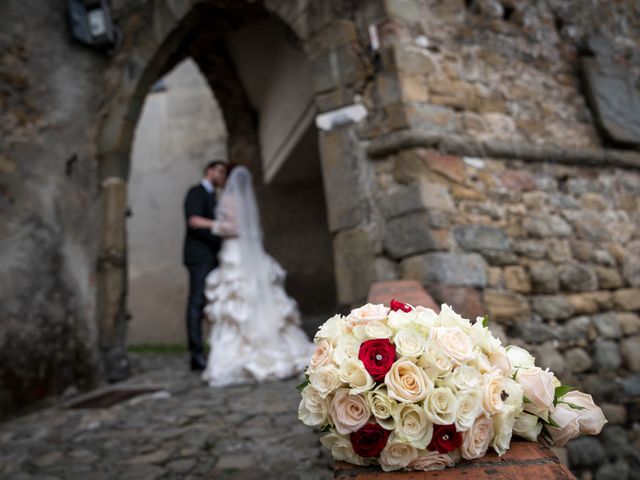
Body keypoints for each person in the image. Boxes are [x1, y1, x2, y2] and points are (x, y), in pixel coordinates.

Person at [189, 165, 312, 387]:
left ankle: (244, 352)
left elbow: (234, 227)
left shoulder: (229, 198)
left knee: (236, 302)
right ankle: (272, 346)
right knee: (251, 299)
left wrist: (207, 223)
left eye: (224, 174)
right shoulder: (245, 200)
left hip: (233, 252)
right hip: (243, 254)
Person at [182, 160, 228, 371]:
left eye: (223, 173)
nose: (221, 176)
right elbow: (194, 223)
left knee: (210, 303)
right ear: (209, 171)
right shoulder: (196, 191)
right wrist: (221, 234)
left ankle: (213, 349)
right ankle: (196, 354)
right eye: (219, 171)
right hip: (199, 258)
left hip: (212, 257)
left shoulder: (213, 197)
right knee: (197, 302)